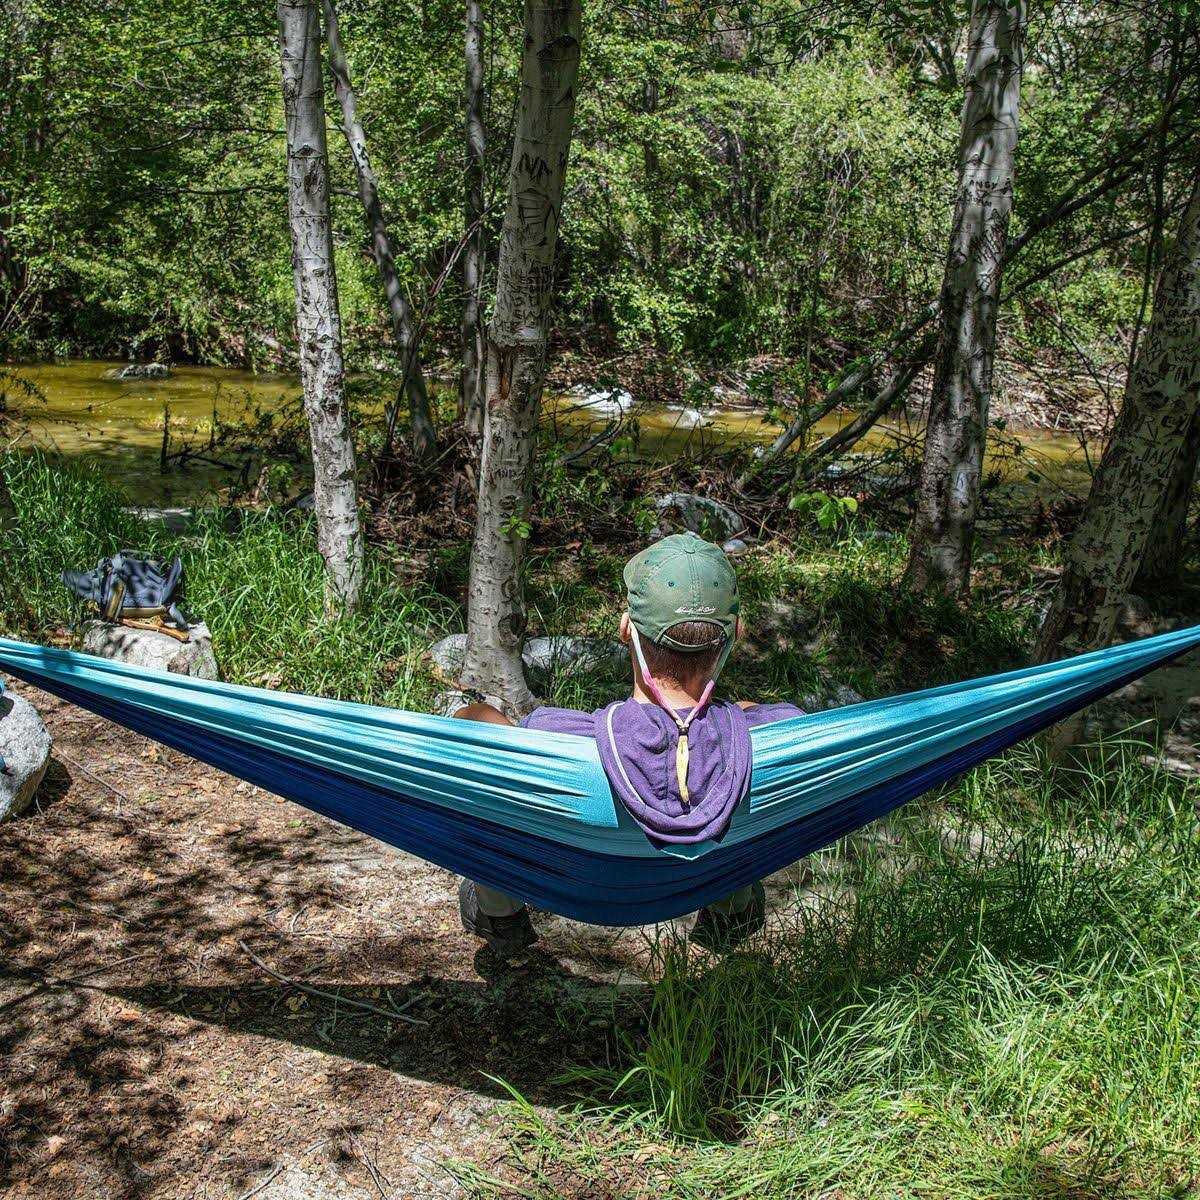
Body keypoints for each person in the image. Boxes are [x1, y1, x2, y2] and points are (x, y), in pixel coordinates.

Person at [454, 532, 804, 956]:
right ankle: (732, 910)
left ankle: (500, 915)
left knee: (493, 775)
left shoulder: (554, 735)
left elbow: (473, 726)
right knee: (741, 795)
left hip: (579, 885)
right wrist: (746, 711)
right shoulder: (778, 736)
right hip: (705, 877)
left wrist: (475, 712)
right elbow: (756, 719)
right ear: (736, 633)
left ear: (626, 630)